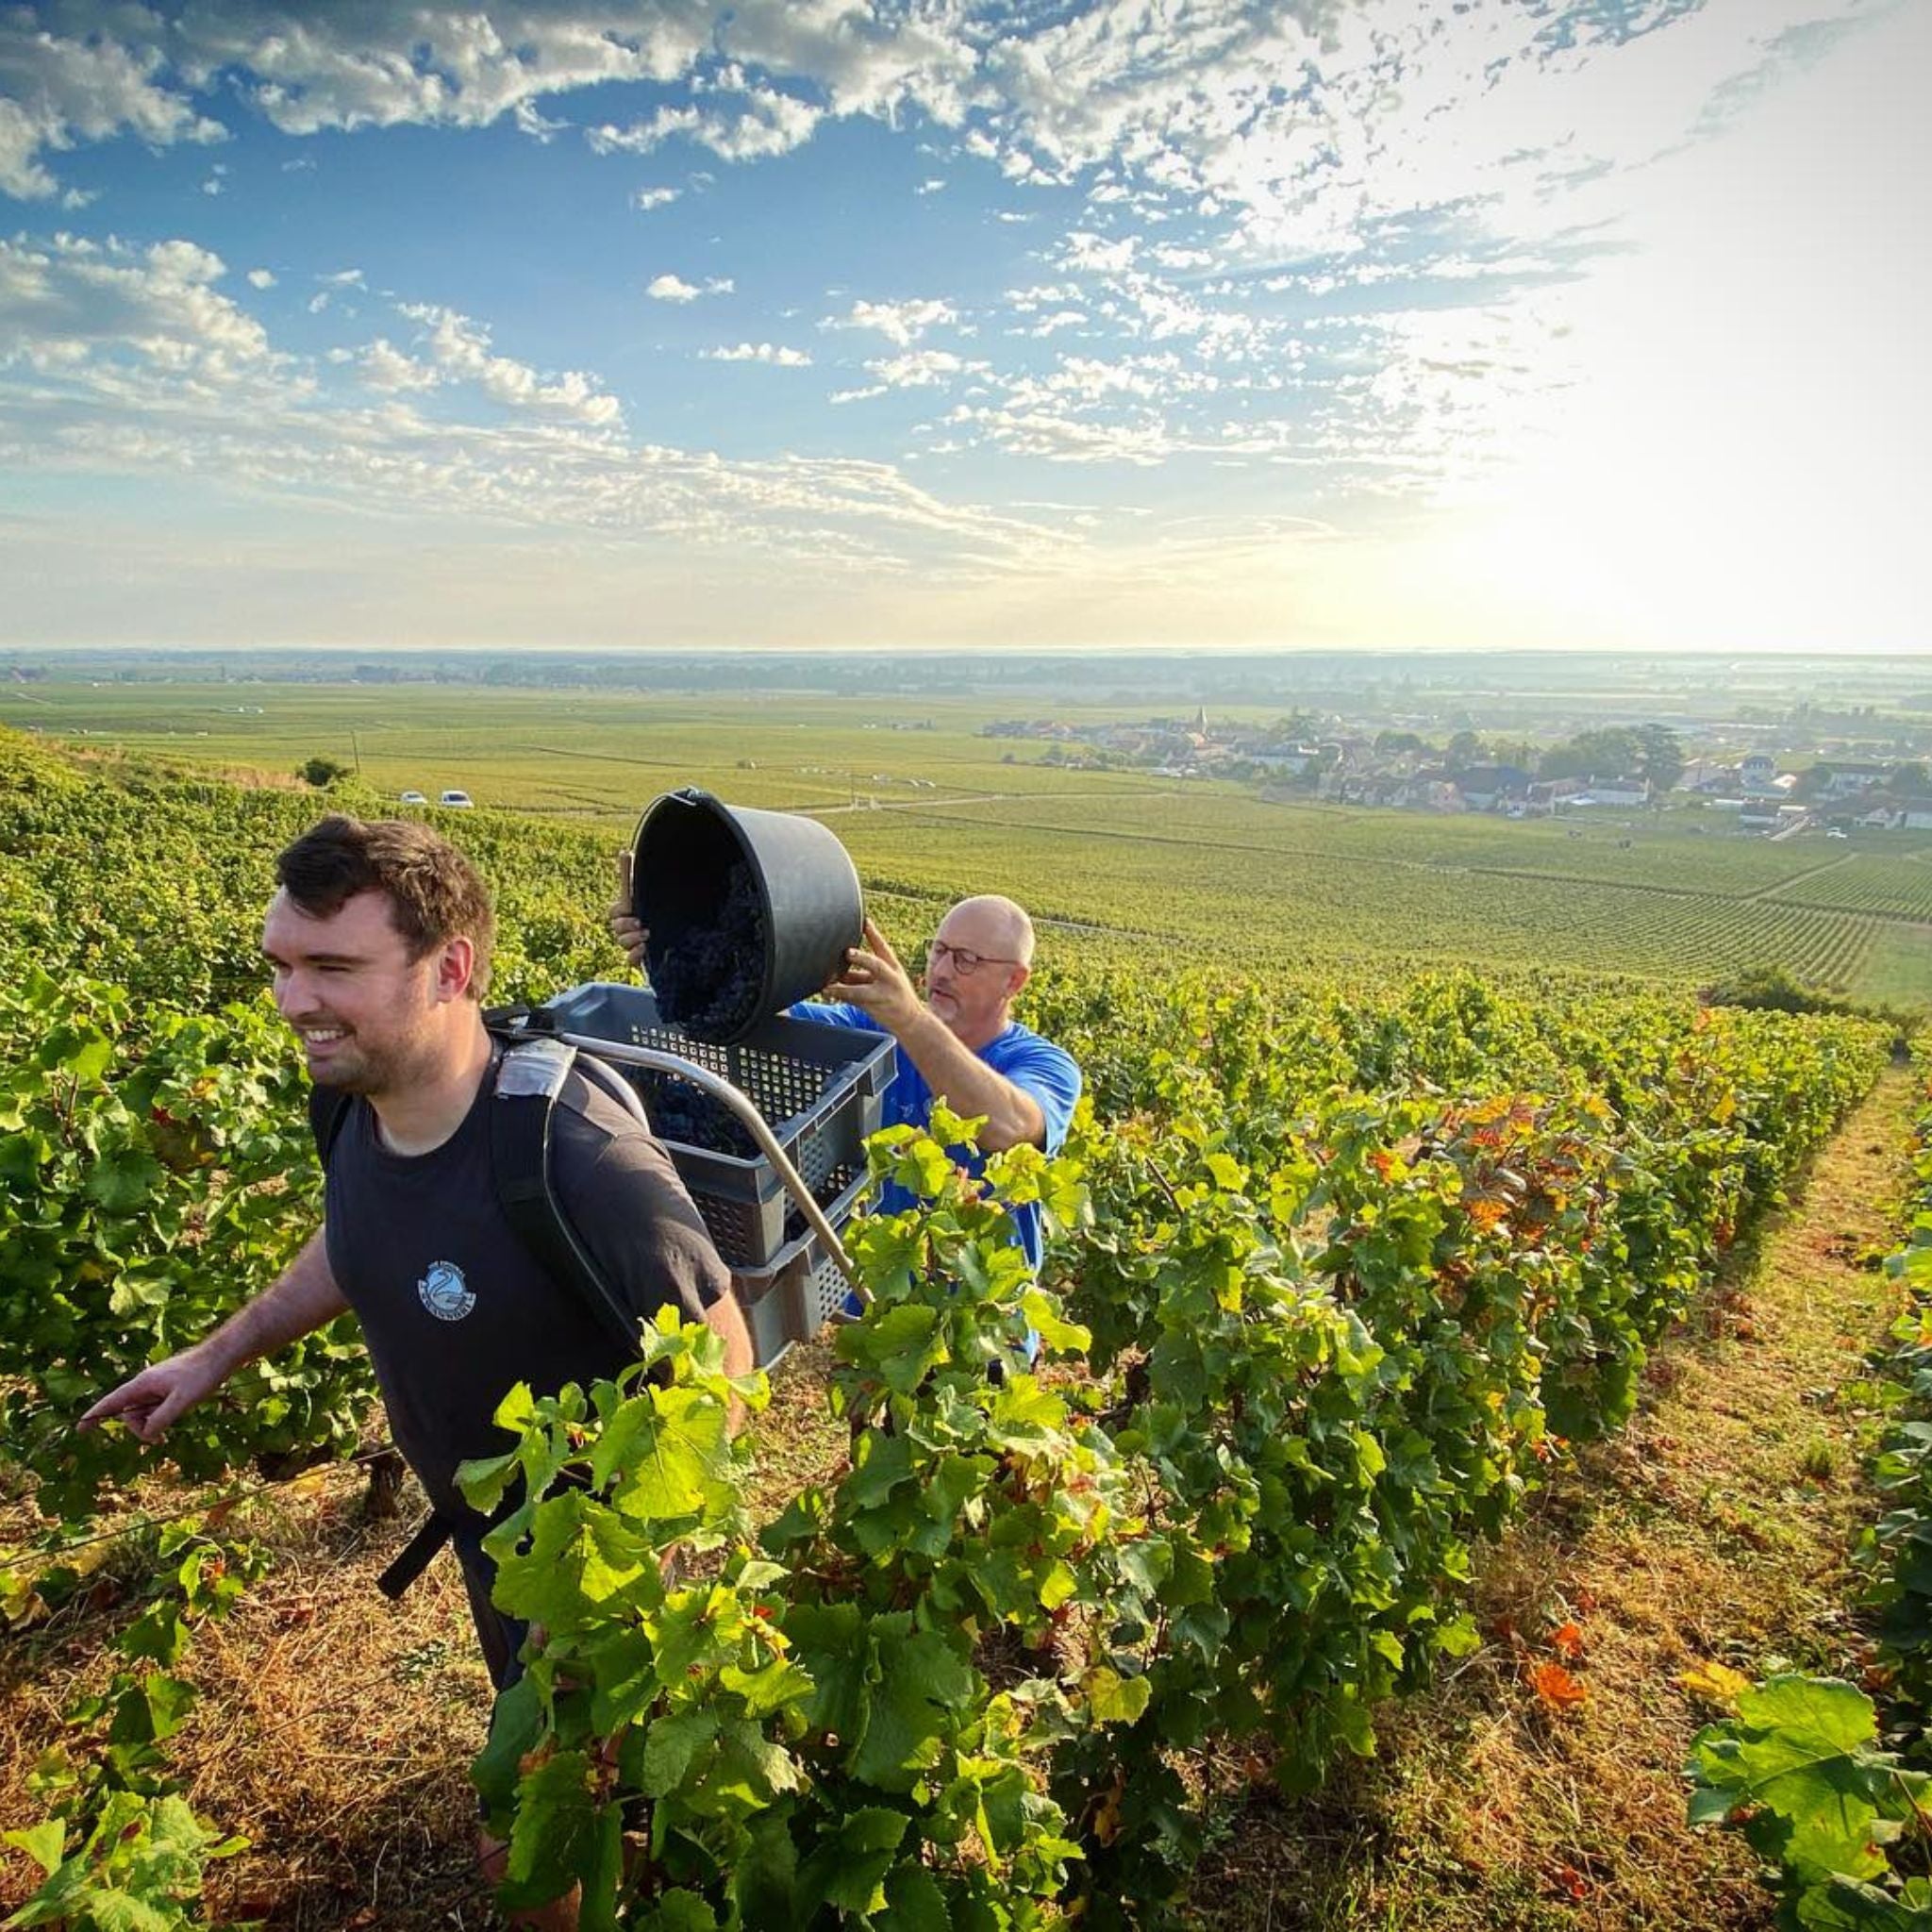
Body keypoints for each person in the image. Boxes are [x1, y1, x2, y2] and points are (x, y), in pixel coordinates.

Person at [84, 816, 751, 1931]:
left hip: (603, 1575)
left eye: (333, 968)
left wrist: (605, 1591)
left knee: (536, 1845)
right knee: (591, 1816)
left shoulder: (577, 1157)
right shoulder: (348, 1097)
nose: (294, 1001)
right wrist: (216, 1351)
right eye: (283, 966)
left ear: (452, 968)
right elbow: (358, 1238)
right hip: (499, 1547)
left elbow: (722, 1363)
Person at [609, 856, 1081, 1276]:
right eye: (939, 950)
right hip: (872, 1300)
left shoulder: (1042, 1063)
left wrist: (911, 1018)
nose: (940, 971)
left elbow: (1009, 1127)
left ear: (1014, 981)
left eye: (967, 961)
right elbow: (752, 1019)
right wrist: (670, 955)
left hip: (978, 1318)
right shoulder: (867, 1027)